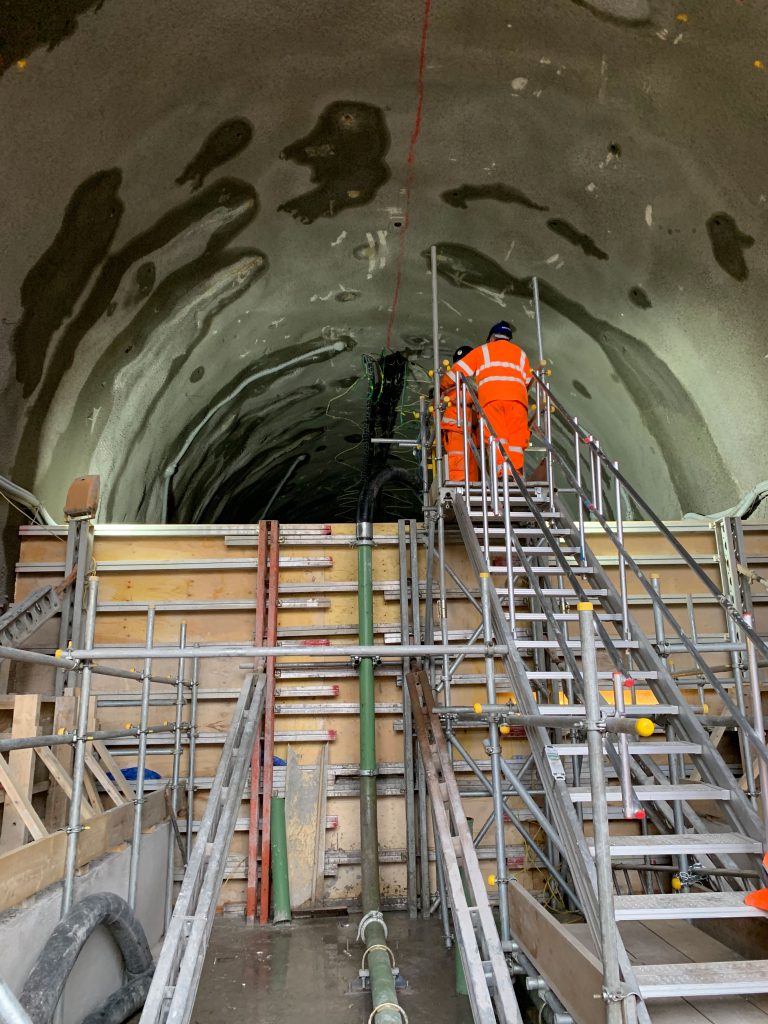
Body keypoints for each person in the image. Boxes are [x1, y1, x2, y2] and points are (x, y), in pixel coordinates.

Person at [454, 321, 532, 474]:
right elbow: (527, 381)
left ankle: (502, 473)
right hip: (518, 403)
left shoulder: (483, 351)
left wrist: (440, 387)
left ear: (491, 338)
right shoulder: (521, 353)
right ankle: (515, 475)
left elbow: (458, 370)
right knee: (516, 441)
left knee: (497, 437)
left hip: (492, 401)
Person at [440, 345, 478, 482]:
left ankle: (471, 496)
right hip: (456, 431)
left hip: (468, 434)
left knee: (471, 474)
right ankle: (459, 492)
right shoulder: (454, 385)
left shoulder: (463, 386)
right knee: (459, 471)